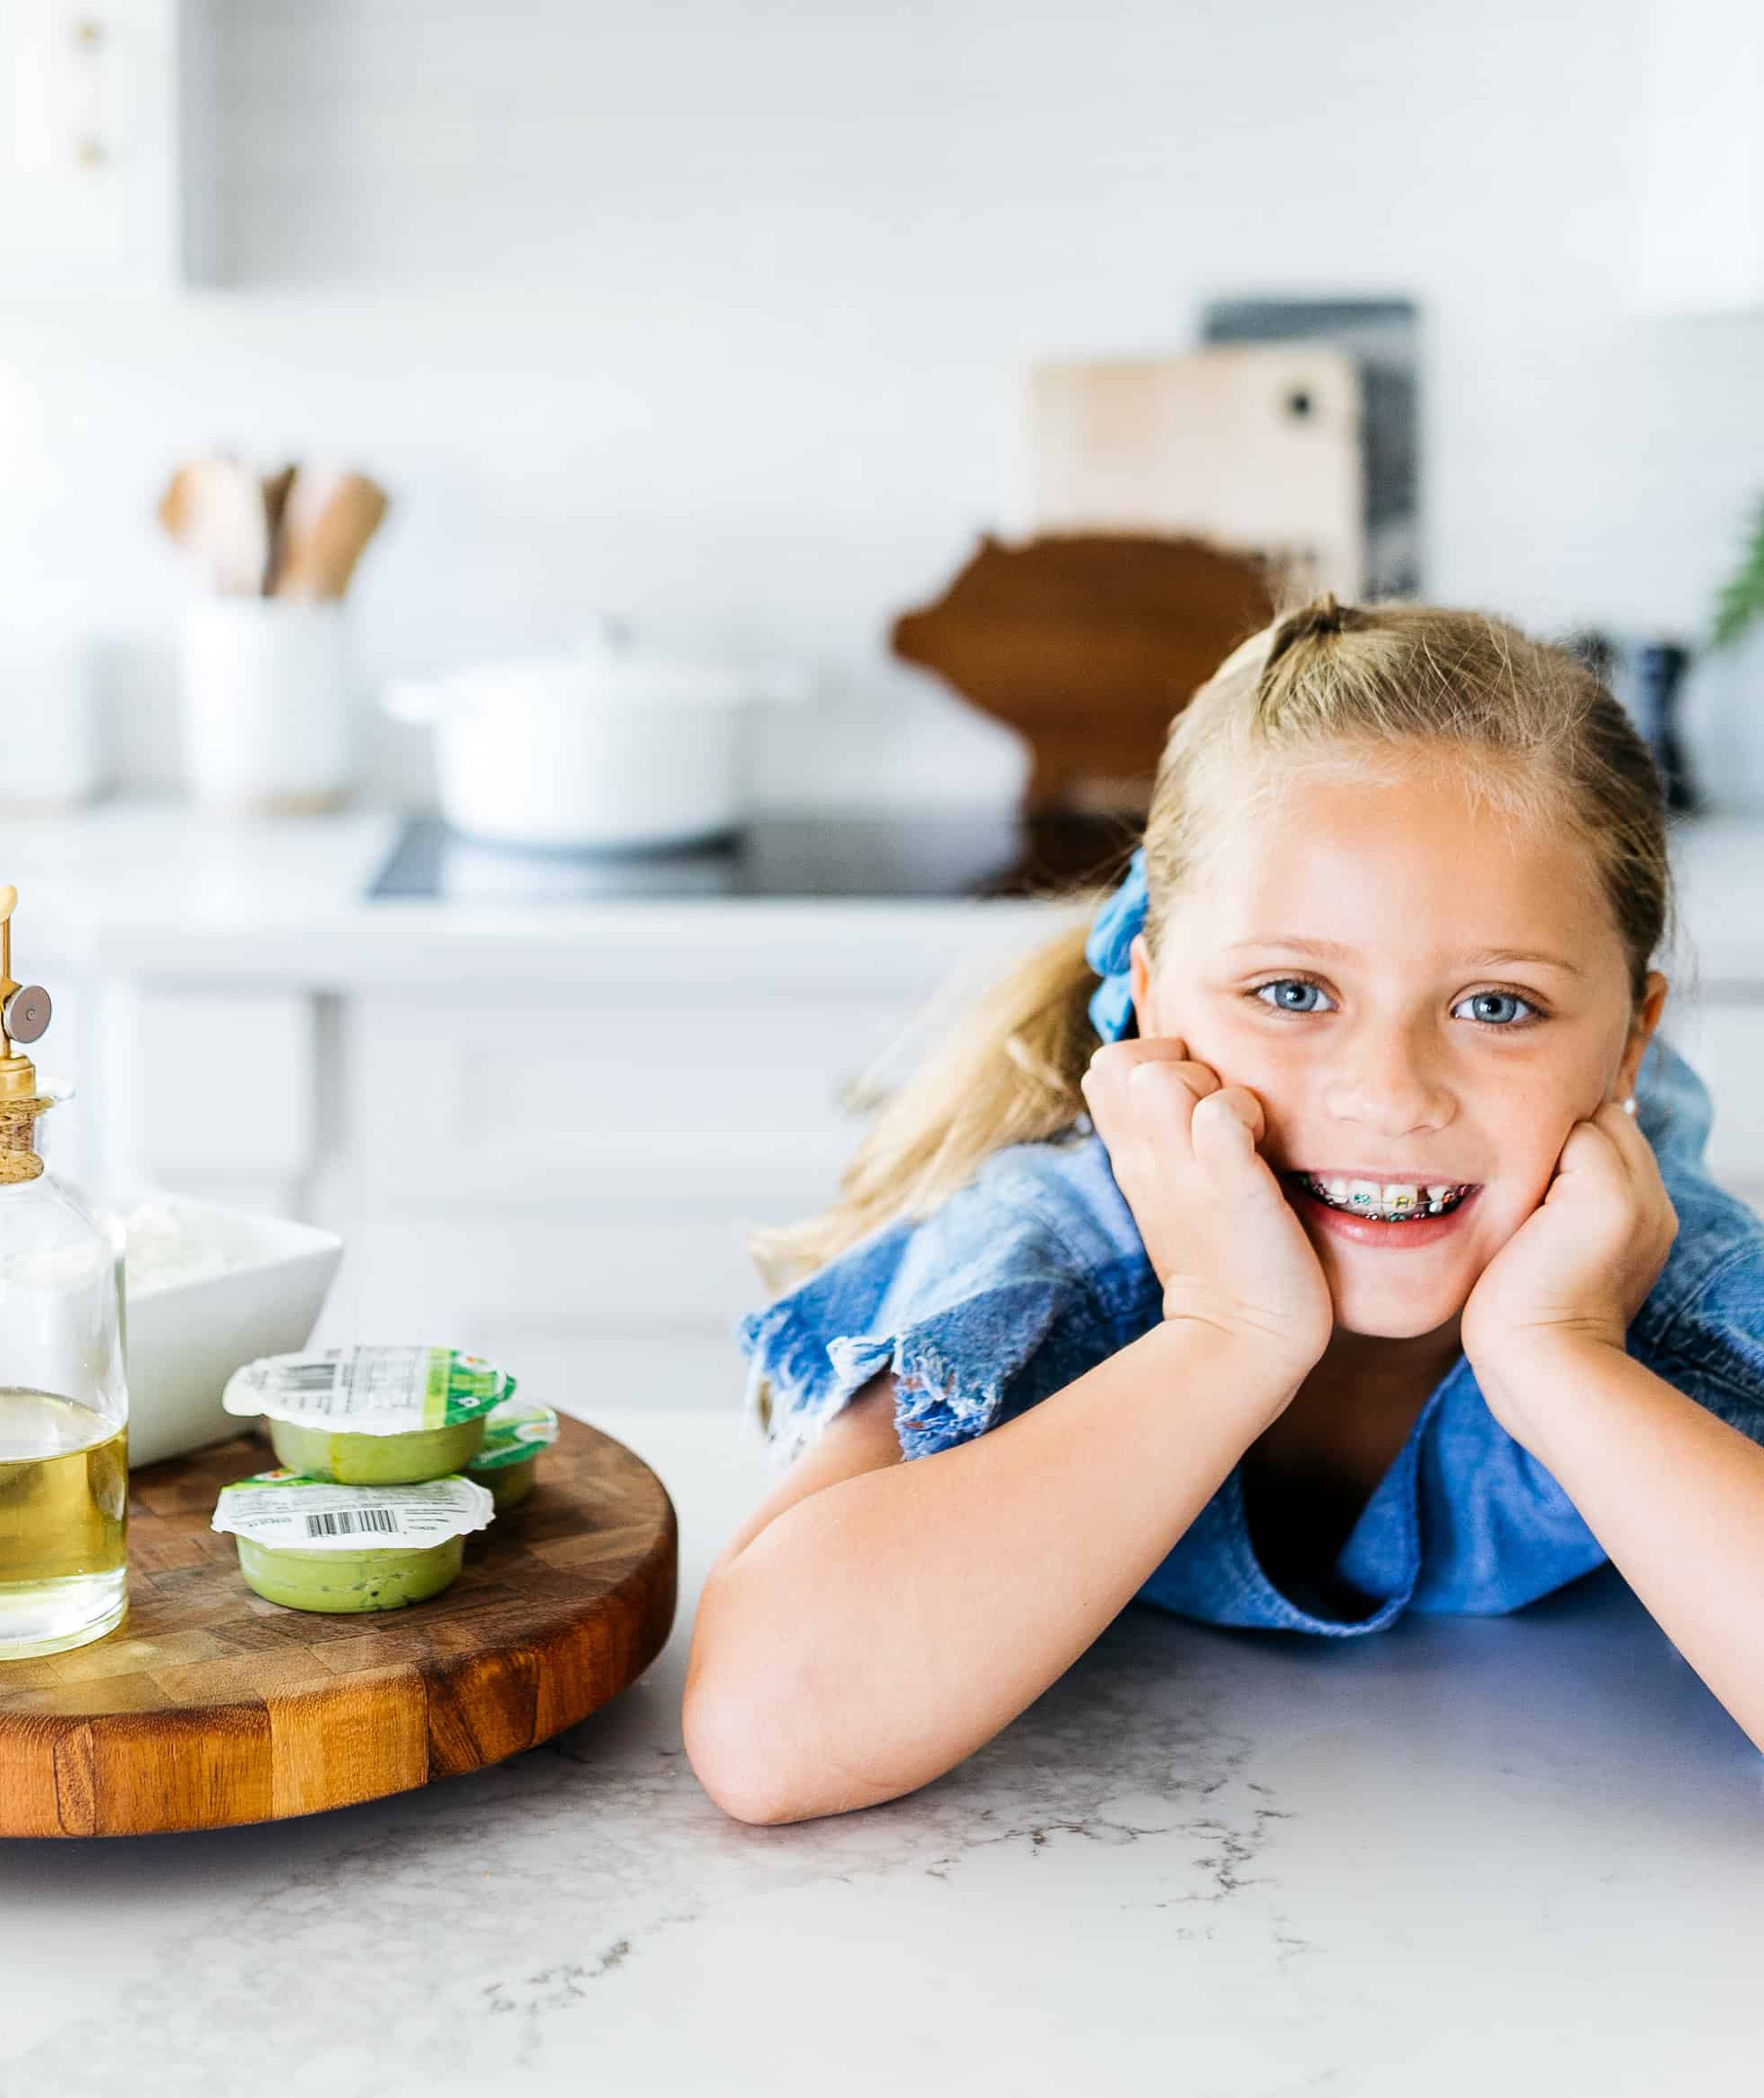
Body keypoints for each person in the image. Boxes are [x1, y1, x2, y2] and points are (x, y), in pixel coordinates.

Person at [684, 597, 1764, 1827]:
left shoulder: (1667, 1283)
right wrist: (1226, 1333)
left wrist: (1562, 1362)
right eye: (1295, 990)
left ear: (1631, 1042)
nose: (1390, 1094)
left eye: (1497, 1006)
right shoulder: (1062, 1253)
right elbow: (768, 1736)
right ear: (1150, 1000)